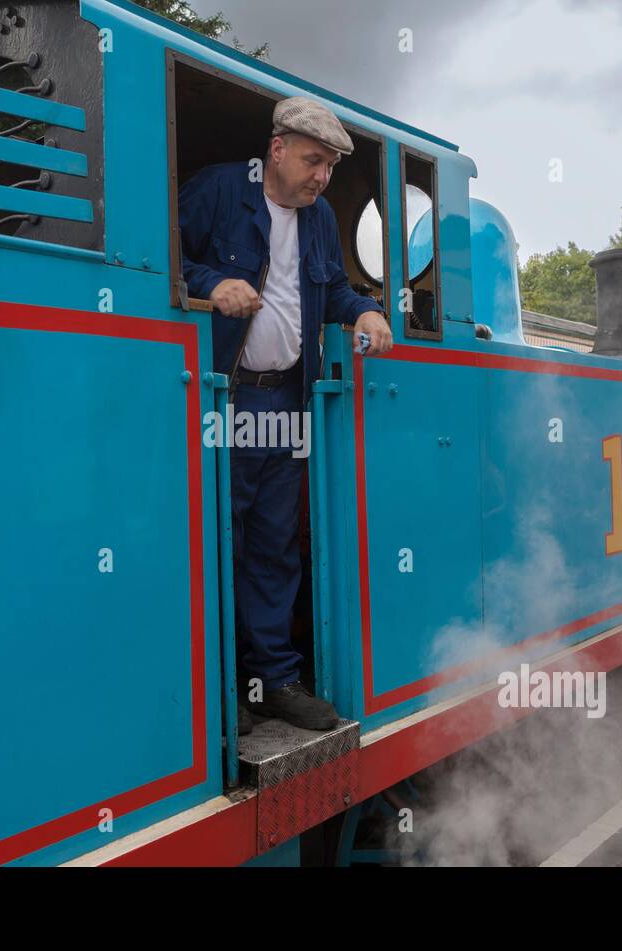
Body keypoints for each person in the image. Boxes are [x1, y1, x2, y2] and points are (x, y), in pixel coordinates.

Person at [177, 95, 394, 733]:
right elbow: (161, 259)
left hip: (285, 400)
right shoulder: (218, 190)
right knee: (221, 536)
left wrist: (364, 311)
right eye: (313, 161)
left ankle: (273, 681)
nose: (321, 176)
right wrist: (210, 283)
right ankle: (222, 686)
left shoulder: (320, 216)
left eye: (329, 166)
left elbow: (328, 292)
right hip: (226, 396)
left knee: (275, 543)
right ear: (277, 149)